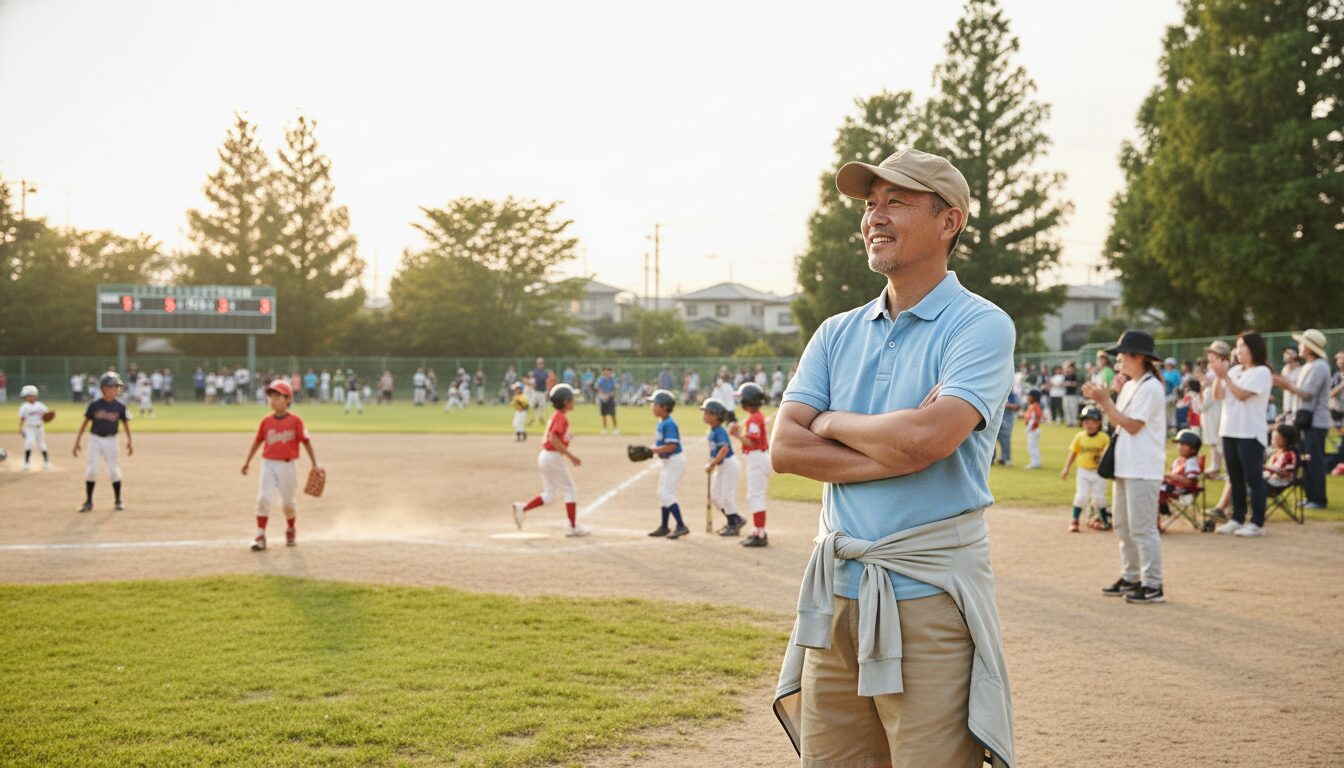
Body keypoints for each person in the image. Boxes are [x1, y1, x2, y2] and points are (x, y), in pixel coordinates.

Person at [770, 148, 1015, 767]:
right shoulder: (835, 331)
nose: (875, 216)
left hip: (928, 594)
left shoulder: (979, 325)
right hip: (836, 594)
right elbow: (785, 447)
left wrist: (829, 422)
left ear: (949, 221)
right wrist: (899, 445)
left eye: (897, 202)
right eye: (871, 203)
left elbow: (924, 441)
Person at [1082, 330, 1167, 604]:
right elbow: (1120, 421)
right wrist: (1111, 399)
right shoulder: (1132, 385)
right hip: (1127, 465)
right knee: (1122, 525)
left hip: (1143, 467)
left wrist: (1105, 402)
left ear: (1139, 357)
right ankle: (1131, 576)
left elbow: (1131, 425)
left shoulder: (1151, 387)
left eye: (1122, 353)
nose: (1118, 358)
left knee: (1142, 528)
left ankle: (1152, 584)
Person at [240, 380, 317, 551]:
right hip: (268, 464)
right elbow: (257, 442)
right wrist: (247, 462)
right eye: (271, 397)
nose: (272, 400)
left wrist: (314, 464)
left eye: (277, 396)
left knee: (287, 504)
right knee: (263, 498)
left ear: (288, 399)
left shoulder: (296, 421)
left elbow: (306, 442)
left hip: (288, 466)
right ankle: (260, 535)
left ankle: (290, 529)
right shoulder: (266, 422)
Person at [1210, 330, 1273, 537]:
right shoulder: (1236, 370)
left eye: (1242, 347)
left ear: (1254, 349)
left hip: (1250, 432)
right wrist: (1220, 377)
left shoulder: (1261, 372)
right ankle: (1237, 518)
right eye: (1237, 347)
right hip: (1229, 429)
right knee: (1235, 477)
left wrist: (1225, 376)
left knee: (1253, 478)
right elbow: (1217, 396)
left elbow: (1242, 395)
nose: (1238, 352)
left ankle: (1257, 523)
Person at [511, 384, 586, 537]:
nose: (574, 401)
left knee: (550, 494)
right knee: (570, 490)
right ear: (565, 402)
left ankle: (522, 508)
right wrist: (572, 457)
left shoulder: (557, 416)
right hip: (552, 456)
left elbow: (556, 436)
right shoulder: (561, 418)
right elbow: (553, 438)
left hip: (545, 456)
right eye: (572, 399)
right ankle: (572, 527)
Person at [1272, 329, 1331, 509]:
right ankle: (1310, 496)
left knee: (1314, 460)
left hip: (1316, 422)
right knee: (1304, 460)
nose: (1299, 347)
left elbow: (1307, 394)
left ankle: (1318, 499)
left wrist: (1287, 385)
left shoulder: (1320, 366)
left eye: (1302, 343)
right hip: (1305, 420)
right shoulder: (1308, 366)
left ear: (1309, 347)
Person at [72, 373, 133, 512]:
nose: (117, 389)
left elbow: (125, 424)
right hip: (95, 440)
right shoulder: (94, 405)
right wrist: (77, 442)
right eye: (114, 386)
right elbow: (85, 423)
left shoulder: (120, 406)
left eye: (118, 387)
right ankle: (88, 502)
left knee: (114, 471)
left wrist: (130, 441)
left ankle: (118, 500)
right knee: (92, 470)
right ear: (105, 388)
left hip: (112, 440)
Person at [730, 381, 771, 546]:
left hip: (757, 458)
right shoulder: (755, 417)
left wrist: (737, 435)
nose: (740, 401)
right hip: (758, 458)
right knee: (754, 495)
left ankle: (760, 534)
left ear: (748, 400)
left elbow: (752, 442)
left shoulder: (754, 418)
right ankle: (757, 530)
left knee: (756, 496)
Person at [645, 389, 689, 539]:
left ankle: (681, 526)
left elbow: (672, 446)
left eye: (655, 404)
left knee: (667, 494)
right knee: (661, 494)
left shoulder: (669, 424)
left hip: (675, 461)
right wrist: (653, 450)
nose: (653, 407)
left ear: (664, 407)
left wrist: (651, 450)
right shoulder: (662, 422)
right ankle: (664, 526)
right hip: (668, 461)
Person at [1060, 406, 1110, 532]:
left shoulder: (1104, 438)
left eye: (1092, 421)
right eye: (1085, 421)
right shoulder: (1080, 437)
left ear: (1098, 423)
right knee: (1081, 496)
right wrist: (1066, 468)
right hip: (1083, 472)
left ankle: (1104, 519)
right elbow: (1073, 453)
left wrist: (1103, 457)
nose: (1088, 424)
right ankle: (1075, 520)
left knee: (1099, 498)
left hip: (1099, 473)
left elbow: (1108, 454)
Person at [701, 398, 743, 536]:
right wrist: (712, 464)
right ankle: (735, 519)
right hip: (722, 466)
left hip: (729, 465)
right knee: (715, 497)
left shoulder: (719, 431)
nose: (704, 415)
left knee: (727, 497)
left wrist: (712, 464)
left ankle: (733, 524)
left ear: (715, 415)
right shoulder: (713, 431)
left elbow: (724, 449)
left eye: (706, 412)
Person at [1157, 430, 1204, 533]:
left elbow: (1189, 482)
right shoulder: (1178, 461)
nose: (1179, 446)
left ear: (1193, 449)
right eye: (1179, 444)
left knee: (1154, 489)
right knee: (1154, 485)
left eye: (1183, 444)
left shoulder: (1191, 462)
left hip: (1184, 491)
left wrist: (1172, 477)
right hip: (1174, 488)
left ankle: (1160, 514)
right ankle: (1162, 508)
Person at [1201, 340, 1231, 476]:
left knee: (1219, 439)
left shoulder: (1225, 367)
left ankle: (1227, 468)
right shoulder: (1211, 367)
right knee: (1212, 438)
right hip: (1209, 405)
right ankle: (1215, 466)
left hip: (1217, 405)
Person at [17, 385, 52, 470]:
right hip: (29, 428)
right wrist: (21, 429)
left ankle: (46, 462)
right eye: (26, 396)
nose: (27, 398)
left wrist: (48, 418)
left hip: (40, 428)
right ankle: (26, 462)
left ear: (35, 395)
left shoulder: (40, 405)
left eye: (29, 396)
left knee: (42, 444)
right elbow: (22, 419)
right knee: (29, 443)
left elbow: (47, 416)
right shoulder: (24, 407)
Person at [1263, 423, 1299, 496]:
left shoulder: (1290, 455)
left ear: (1283, 440)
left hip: (1277, 483)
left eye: (1274, 439)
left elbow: (1287, 472)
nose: (1272, 441)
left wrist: (1269, 468)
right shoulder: (1277, 452)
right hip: (1269, 481)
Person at [995, 388, 1019, 466]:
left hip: (1007, 419)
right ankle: (992, 459)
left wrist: (1005, 405)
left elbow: (1017, 406)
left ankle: (1006, 459)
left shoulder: (1012, 394)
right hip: (996, 418)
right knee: (993, 440)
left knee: (1005, 440)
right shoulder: (998, 391)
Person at [1023, 389, 1043, 469]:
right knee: (1032, 446)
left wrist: (1030, 427)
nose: (1028, 398)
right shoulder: (1033, 406)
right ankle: (1036, 462)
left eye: (1030, 396)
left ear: (1034, 398)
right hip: (1032, 429)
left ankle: (1035, 463)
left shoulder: (1035, 406)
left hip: (1033, 430)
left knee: (1032, 447)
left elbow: (1035, 418)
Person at [597, 366, 619, 434]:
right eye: (605, 371)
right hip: (602, 398)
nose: (606, 372)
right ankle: (604, 429)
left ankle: (615, 429)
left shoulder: (613, 380)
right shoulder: (601, 379)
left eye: (608, 371)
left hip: (610, 398)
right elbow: (599, 389)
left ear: (611, 372)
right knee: (604, 414)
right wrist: (603, 396)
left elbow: (614, 389)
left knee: (613, 414)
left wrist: (608, 395)